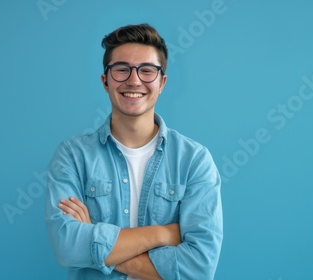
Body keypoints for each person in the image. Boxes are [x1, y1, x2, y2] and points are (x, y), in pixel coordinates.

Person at [45, 23, 223, 280]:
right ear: (105, 81)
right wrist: (162, 234)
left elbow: (199, 268)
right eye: (122, 70)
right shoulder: (72, 156)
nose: (134, 80)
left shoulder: (194, 160)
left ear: (162, 83)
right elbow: (67, 248)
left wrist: (94, 241)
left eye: (147, 71)